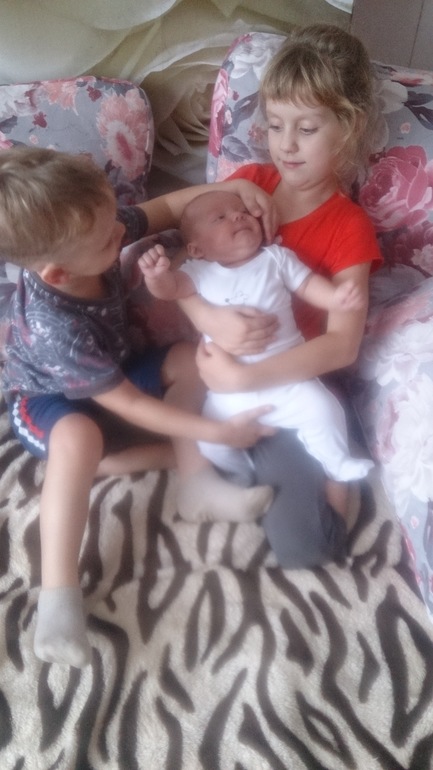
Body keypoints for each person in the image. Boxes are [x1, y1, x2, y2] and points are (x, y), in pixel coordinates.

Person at [0, 147, 276, 668]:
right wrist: (214, 433)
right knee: (81, 438)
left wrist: (236, 189)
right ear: (57, 273)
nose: (121, 232)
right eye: (110, 238)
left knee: (192, 359)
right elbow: (126, 403)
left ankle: (195, 484)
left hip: (116, 371)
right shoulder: (54, 325)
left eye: (115, 222)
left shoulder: (95, 227)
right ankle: (58, 599)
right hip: (48, 402)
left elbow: (169, 207)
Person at [134, 23, 384, 568]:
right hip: (221, 378)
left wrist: (247, 379)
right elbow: (170, 224)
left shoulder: (348, 227)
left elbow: (342, 346)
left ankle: (327, 473)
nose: (286, 144)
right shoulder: (249, 185)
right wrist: (206, 316)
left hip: (290, 386)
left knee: (305, 546)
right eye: (274, 125)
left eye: (306, 128)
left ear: (349, 128)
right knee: (167, 387)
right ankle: (201, 472)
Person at [140, 189, 374, 518]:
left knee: (323, 409)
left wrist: (337, 299)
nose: (238, 216)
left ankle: (337, 464)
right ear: (197, 249)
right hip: (227, 395)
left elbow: (308, 286)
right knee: (211, 442)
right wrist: (156, 277)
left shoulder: (276, 258)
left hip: (287, 381)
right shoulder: (197, 272)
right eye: (220, 218)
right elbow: (170, 290)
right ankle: (241, 474)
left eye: (243, 212)